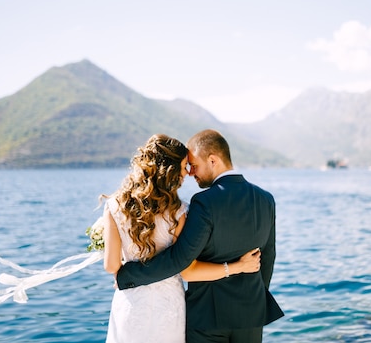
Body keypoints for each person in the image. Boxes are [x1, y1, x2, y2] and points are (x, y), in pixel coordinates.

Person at [116, 129, 284, 343]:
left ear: (213, 160)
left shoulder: (204, 202)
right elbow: (268, 257)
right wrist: (254, 299)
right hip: (251, 314)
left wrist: (127, 276)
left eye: (194, 166)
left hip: (208, 317)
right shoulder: (265, 199)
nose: (191, 172)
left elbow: (179, 259)